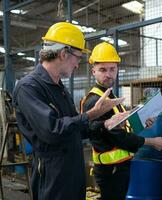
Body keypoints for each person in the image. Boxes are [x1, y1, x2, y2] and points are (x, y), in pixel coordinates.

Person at [13, 22, 125, 200]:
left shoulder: (60, 88)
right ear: (64, 54)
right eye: (78, 58)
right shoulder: (29, 87)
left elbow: (75, 129)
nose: (77, 64)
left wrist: (105, 124)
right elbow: (52, 131)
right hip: (52, 174)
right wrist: (92, 114)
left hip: (72, 170)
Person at [81, 42, 162, 200]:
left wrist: (142, 123)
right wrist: (151, 141)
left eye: (112, 69)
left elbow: (123, 128)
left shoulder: (111, 96)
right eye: (103, 69)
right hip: (110, 170)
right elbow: (117, 136)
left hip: (119, 167)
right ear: (93, 71)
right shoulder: (96, 100)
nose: (108, 74)